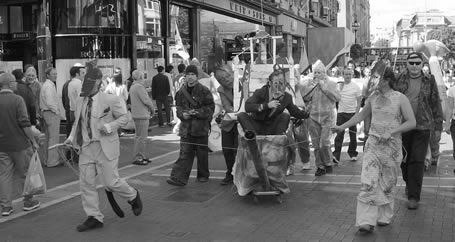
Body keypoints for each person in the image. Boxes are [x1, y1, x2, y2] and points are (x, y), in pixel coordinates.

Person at [332, 67, 416, 233]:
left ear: (387, 80)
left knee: (388, 183)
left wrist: (392, 132)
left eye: (377, 78)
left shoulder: (400, 98)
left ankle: (384, 216)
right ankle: (365, 221)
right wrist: (341, 127)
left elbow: (411, 122)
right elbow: (361, 116)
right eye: (373, 78)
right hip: (373, 145)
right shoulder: (373, 97)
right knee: (368, 181)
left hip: (392, 148)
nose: (374, 81)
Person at [63, 63, 142, 232]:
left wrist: (109, 127)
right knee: (86, 183)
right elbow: (77, 123)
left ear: (99, 81)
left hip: (106, 146)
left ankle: (133, 195)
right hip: (86, 147)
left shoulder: (110, 99)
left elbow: (125, 118)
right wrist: (70, 138)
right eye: (85, 79)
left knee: (111, 182)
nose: (86, 83)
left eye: (90, 80)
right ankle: (94, 216)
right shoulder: (80, 100)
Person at [394, 52, 443, 210]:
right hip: (403, 126)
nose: (414, 66)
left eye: (417, 63)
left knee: (418, 160)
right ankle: (409, 183)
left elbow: (435, 102)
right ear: (407, 64)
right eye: (411, 63)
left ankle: (414, 196)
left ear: (423, 64)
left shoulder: (430, 80)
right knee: (404, 160)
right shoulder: (399, 78)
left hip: (423, 126)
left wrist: (438, 127)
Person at [166, 65, 215, 186]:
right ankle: (178, 178)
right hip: (186, 129)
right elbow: (178, 109)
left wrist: (197, 113)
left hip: (201, 128)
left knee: (202, 153)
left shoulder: (204, 90)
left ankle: (203, 175)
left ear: (197, 76)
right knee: (184, 153)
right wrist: (183, 114)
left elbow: (210, 108)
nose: (190, 77)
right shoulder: (181, 92)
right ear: (185, 76)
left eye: (193, 74)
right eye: (188, 75)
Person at [0, 73, 41, 216]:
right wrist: (33, 141)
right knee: (25, 174)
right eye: (14, 82)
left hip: (2, 145)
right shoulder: (17, 100)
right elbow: (25, 123)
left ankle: (6, 206)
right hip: (20, 144)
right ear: (9, 83)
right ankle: (28, 201)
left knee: (4, 175)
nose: (17, 84)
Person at [237, 69, 309, 136]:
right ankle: (254, 138)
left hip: (272, 126)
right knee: (241, 115)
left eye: (281, 83)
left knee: (285, 116)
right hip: (257, 124)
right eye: (276, 84)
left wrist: (308, 114)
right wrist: (267, 105)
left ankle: (278, 140)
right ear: (270, 83)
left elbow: (294, 112)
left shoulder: (287, 97)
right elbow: (248, 107)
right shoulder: (261, 92)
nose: (279, 88)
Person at [299, 60, 341, 176]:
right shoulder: (310, 83)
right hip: (313, 117)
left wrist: (324, 88)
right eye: (315, 72)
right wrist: (308, 88)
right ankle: (320, 166)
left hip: (327, 116)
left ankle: (328, 163)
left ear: (324, 72)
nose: (316, 75)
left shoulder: (332, 83)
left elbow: (337, 98)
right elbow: (304, 98)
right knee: (316, 144)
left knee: (324, 143)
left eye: (319, 72)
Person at [332, 68, 362, 163]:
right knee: (339, 134)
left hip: (352, 113)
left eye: (349, 74)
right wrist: (338, 92)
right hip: (341, 113)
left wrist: (357, 114)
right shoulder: (339, 86)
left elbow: (359, 100)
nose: (348, 76)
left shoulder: (356, 86)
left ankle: (353, 153)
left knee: (353, 135)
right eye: (346, 74)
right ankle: (336, 155)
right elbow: (335, 99)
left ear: (352, 75)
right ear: (343, 75)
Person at [214, 65, 237, 185]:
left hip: (245, 121)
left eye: (227, 76)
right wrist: (236, 111)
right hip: (229, 121)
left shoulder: (244, 82)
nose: (226, 80)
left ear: (233, 72)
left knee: (238, 149)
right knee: (227, 149)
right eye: (222, 79)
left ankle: (238, 173)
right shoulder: (221, 89)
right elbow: (226, 106)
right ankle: (230, 173)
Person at [129, 70, 154, 165]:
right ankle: (139, 157)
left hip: (136, 114)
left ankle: (141, 155)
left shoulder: (133, 87)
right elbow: (146, 101)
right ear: (140, 78)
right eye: (143, 77)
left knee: (139, 137)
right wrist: (152, 109)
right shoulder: (139, 87)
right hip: (142, 114)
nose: (144, 79)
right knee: (142, 138)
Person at [40, 67, 62, 168]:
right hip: (50, 113)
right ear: (48, 75)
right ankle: (53, 161)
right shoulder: (49, 86)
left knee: (48, 137)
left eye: (56, 74)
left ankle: (46, 160)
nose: (56, 75)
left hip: (46, 112)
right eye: (53, 74)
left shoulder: (46, 85)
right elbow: (50, 102)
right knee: (53, 138)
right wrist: (56, 111)